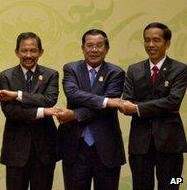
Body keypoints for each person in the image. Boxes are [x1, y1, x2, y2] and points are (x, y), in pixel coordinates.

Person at [120, 22, 187, 190]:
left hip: (171, 143)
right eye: (147, 40)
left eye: (156, 40)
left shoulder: (180, 69)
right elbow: (127, 101)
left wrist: (138, 108)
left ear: (167, 43)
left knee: (173, 184)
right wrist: (161, 106)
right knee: (140, 186)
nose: (151, 45)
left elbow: (173, 101)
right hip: (140, 144)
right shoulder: (133, 70)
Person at [56, 29, 125, 190]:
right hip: (75, 147)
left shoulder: (116, 73)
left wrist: (75, 114)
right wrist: (106, 101)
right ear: (82, 48)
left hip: (107, 148)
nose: (94, 49)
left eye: (99, 45)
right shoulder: (71, 69)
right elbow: (73, 94)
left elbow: (105, 110)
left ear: (107, 49)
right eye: (90, 45)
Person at [0, 32, 60, 190]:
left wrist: (17, 95)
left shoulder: (51, 75)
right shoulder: (5, 76)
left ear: (40, 52)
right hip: (15, 149)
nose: (28, 55)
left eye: (33, 50)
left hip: (45, 148)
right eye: (24, 50)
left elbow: (49, 100)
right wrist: (43, 112)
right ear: (17, 52)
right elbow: (10, 111)